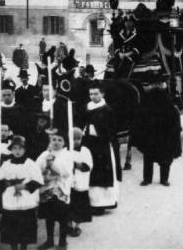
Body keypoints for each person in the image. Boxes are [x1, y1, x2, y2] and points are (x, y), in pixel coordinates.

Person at [0, 135, 43, 250]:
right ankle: (13, 246)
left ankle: (23, 246)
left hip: (25, 199)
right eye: (15, 148)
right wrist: (4, 183)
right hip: (10, 200)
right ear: (11, 150)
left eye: (20, 148)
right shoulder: (6, 164)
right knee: (11, 226)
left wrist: (25, 185)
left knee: (25, 226)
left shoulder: (30, 164)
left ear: (25, 149)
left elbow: (38, 180)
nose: (17, 151)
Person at [133, 77, 182, 186]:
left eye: (158, 84)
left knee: (155, 156)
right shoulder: (151, 97)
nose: (157, 86)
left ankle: (156, 179)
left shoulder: (163, 97)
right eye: (155, 84)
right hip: (157, 132)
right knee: (154, 156)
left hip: (159, 132)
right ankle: (156, 179)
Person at [82, 82, 121, 211]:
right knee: (92, 172)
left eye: (96, 93)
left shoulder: (107, 110)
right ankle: (92, 202)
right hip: (89, 144)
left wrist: (98, 131)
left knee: (103, 173)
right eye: (90, 94)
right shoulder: (87, 108)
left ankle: (103, 204)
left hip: (103, 146)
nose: (93, 96)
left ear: (102, 94)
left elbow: (112, 129)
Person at [36, 130, 73, 250]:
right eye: (54, 139)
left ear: (64, 142)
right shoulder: (45, 153)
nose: (56, 142)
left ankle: (62, 241)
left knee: (62, 217)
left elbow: (66, 172)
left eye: (60, 140)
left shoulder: (67, 155)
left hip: (61, 189)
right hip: (47, 188)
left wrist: (52, 164)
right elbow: (37, 168)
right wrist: (44, 167)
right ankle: (50, 240)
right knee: (49, 217)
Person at [69, 127, 93, 237]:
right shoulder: (67, 151)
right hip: (70, 184)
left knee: (80, 206)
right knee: (69, 205)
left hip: (81, 182)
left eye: (78, 139)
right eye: (73, 139)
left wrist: (76, 164)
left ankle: (77, 226)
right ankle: (69, 224)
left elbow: (88, 166)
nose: (76, 141)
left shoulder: (85, 151)